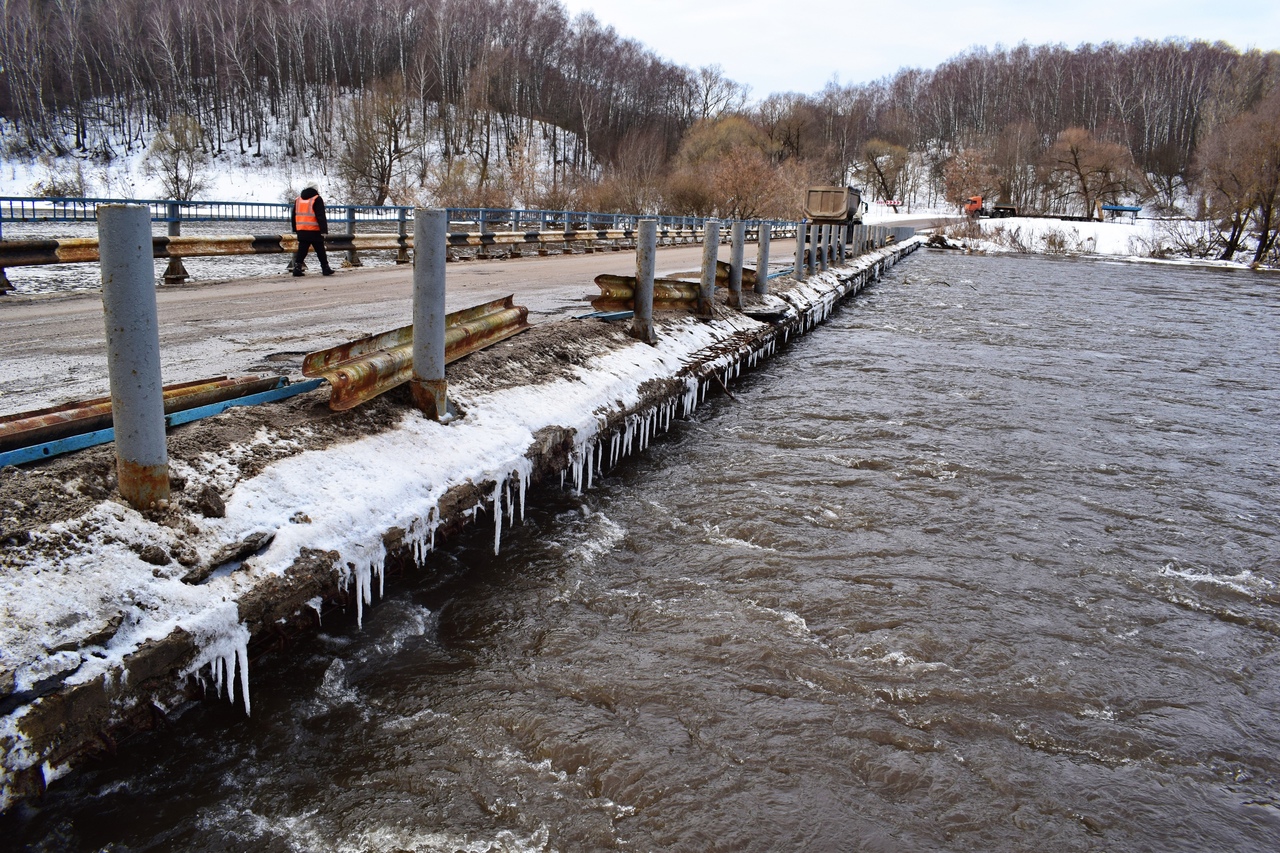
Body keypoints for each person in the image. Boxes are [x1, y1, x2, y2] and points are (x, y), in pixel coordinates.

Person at [291, 183, 335, 276]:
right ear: (316, 189)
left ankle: (297, 268)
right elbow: (320, 216)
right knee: (320, 250)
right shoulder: (317, 199)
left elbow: (294, 215)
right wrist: (323, 230)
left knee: (302, 250)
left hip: (302, 229)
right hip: (314, 230)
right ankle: (325, 268)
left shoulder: (298, 199)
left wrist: (295, 228)